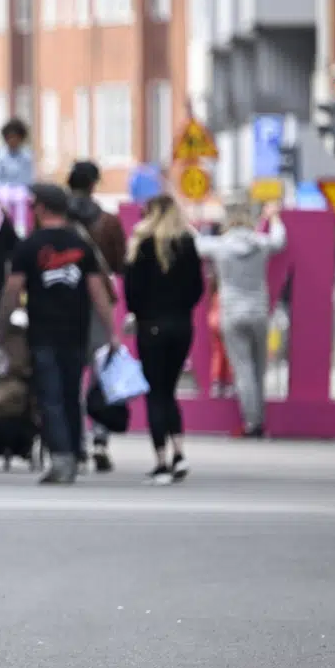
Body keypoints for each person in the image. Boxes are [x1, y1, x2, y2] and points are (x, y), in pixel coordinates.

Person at [0, 184, 118, 485]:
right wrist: (111, 332)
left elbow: (13, 290)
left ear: (41, 208)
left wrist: (1, 327)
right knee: (70, 394)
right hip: (77, 333)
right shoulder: (82, 245)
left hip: (43, 333)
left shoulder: (30, 246)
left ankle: (62, 458)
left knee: (50, 397)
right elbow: (98, 292)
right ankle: (75, 453)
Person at [122, 195, 204, 483]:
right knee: (170, 390)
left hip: (151, 327)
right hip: (182, 326)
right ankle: (179, 453)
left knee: (155, 393)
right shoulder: (187, 243)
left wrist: (141, 312)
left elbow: (131, 291)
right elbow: (198, 288)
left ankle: (160, 462)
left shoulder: (142, 245)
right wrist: (180, 309)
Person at [196, 201, 285, 437]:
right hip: (259, 312)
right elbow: (279, 240)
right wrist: (274, 217)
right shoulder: (262, 243)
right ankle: (260, 420)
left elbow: (196, 245)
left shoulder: (220, 246)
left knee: (243, 370)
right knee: (258, 370)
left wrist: (186, 222)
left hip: (232, 313)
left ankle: (252, 423)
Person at [66, 160, 127, 472]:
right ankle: (100, 439)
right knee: (101, 374)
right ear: (94, 185)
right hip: (99, 303)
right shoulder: (109, 222)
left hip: (63, 305)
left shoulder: (56, 222)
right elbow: (118, 264)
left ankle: (75, 443)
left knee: (69, 377)